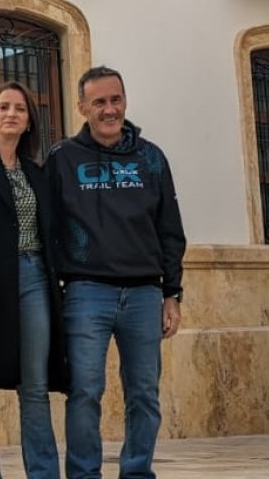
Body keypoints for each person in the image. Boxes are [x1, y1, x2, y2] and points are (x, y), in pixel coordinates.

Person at [46, 66, 186, 479]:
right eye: (100, 102)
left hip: (144, 294)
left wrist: (172, 292)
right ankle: (84, 474)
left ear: (124, 101)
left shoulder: (151, 157)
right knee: (85, 392)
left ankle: (137, 472)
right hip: (87, 292)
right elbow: (49, 229)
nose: (110, 109)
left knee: (144, 394)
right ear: (82, 107)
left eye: (116, 99)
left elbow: (170, 228)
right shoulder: (63, 158)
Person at [0, 81, 67, 479]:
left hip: (33, 277)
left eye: (20, 109)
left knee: (35, 386)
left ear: (29, 123)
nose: (11, 114)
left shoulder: (37, 173)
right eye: (3, 107)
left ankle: (43, 473)